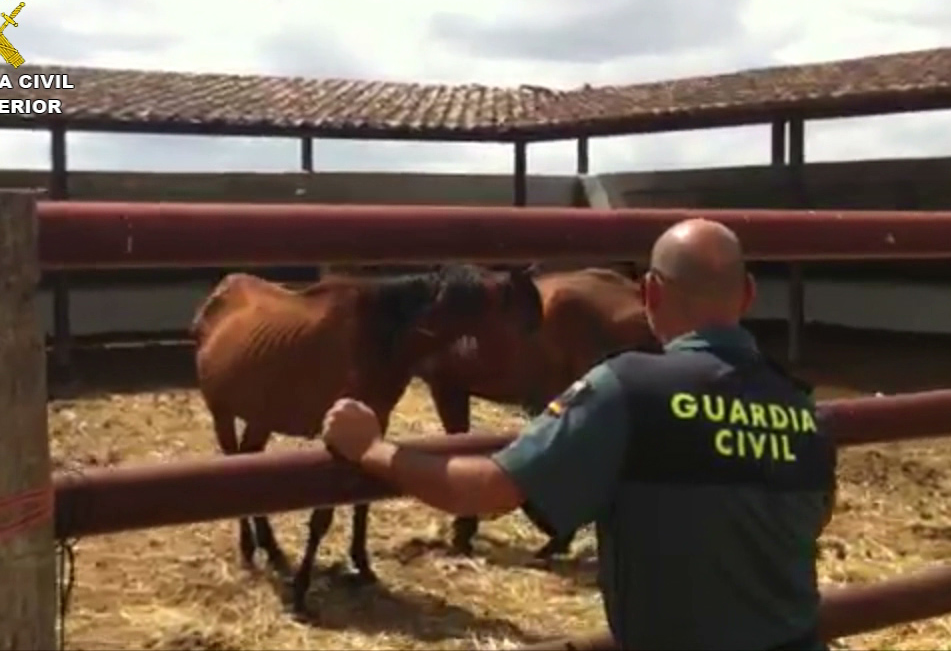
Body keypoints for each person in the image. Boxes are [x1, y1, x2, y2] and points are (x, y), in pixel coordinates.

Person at [321, 219, 839, 651]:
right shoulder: (805, 410)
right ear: (748, 295)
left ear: (651, 293)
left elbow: (485, 490)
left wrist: (372, 448)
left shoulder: (627, 389)